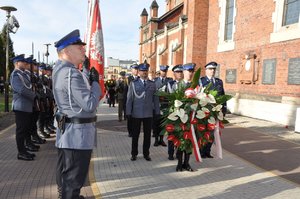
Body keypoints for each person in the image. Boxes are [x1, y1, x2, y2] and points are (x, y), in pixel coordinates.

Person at [52, 29, 101, 199]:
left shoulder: (64, 70)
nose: (83, 50)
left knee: (70, 178)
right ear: (66, 51)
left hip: (71, 132)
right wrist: (96, 83)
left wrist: (87, 73)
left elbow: (75, 94)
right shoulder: (70, 73)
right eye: (79, 47)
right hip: (77, 136)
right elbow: (89, 104)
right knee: (73, 180)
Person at [126, 63, 160, 161]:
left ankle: (146, 153)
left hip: (148, 114)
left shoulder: (152, 84)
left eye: (146, 71)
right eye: (142, 71)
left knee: (147, 136)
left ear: (147, 71)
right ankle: (134, 153)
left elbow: (156, 99)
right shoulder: (133, 83)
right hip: (136, 113)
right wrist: (128, 112)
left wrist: (157, 112)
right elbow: (129, 99)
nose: (144, 73)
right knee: (135, 135)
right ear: (139, 72)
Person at [10, 54, 37, 161]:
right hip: (20, 106)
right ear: (17, 63)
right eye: (23, 62)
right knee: (21, 130)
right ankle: (21, 152)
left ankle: (24, 149)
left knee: (25, 129)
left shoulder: (23, 74)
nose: (25, 64)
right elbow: (21, 89)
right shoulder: (15, 75)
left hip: (26, 106)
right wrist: (34, 96)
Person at [199, 61, 226, 159]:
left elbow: (222, 96)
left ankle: (207, 151)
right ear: (206, 70)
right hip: (204, 111)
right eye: (210, 69)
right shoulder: (201, 81)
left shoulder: (219, 82)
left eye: (214, 69)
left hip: (216, 112)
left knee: (212, 132)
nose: (212, 71)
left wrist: (224, 110)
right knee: (203, 131)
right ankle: (201, 151)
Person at [176, 62, 196, 172]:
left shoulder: (196, 86)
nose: (191, 73)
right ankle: (179, 163)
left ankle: (186, 163)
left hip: (191, 119)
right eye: (189, 71)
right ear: (184, 72)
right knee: (180, 142)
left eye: (192, 71)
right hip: (180, 119)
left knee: (189, 142)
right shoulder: (178, 85)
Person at [166, 64, 184, 160]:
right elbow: (168, 98)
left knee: (180, 133)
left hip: (183, 114)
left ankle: (178, 153)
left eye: (181, 72)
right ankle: (170, 153)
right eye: (177, 72)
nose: (180, 74)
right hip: (172, 113)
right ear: (174, 73)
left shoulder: (186, 84)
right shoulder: (170, 84)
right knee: (171, 133)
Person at [153, 65, 173, 146]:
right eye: (162, 71)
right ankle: (156, 139)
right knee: (156, 123)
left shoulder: (170, 81)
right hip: (157, 105)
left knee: (163, 124)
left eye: (165, 71)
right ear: (160, 71)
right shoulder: (155, 81)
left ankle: (161, 139)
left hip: (165, 105)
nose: (163, 72)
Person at [126, 64, 139, 137]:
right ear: (132, 70)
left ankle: (135, 131)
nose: (136, 71)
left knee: (136, 118)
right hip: (130, 101)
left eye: (137, 69)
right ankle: (130, 131)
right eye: (135, 69)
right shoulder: (128, 79)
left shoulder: (140, 78)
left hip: (138, 102)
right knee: (130, 118)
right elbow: (126, 92)